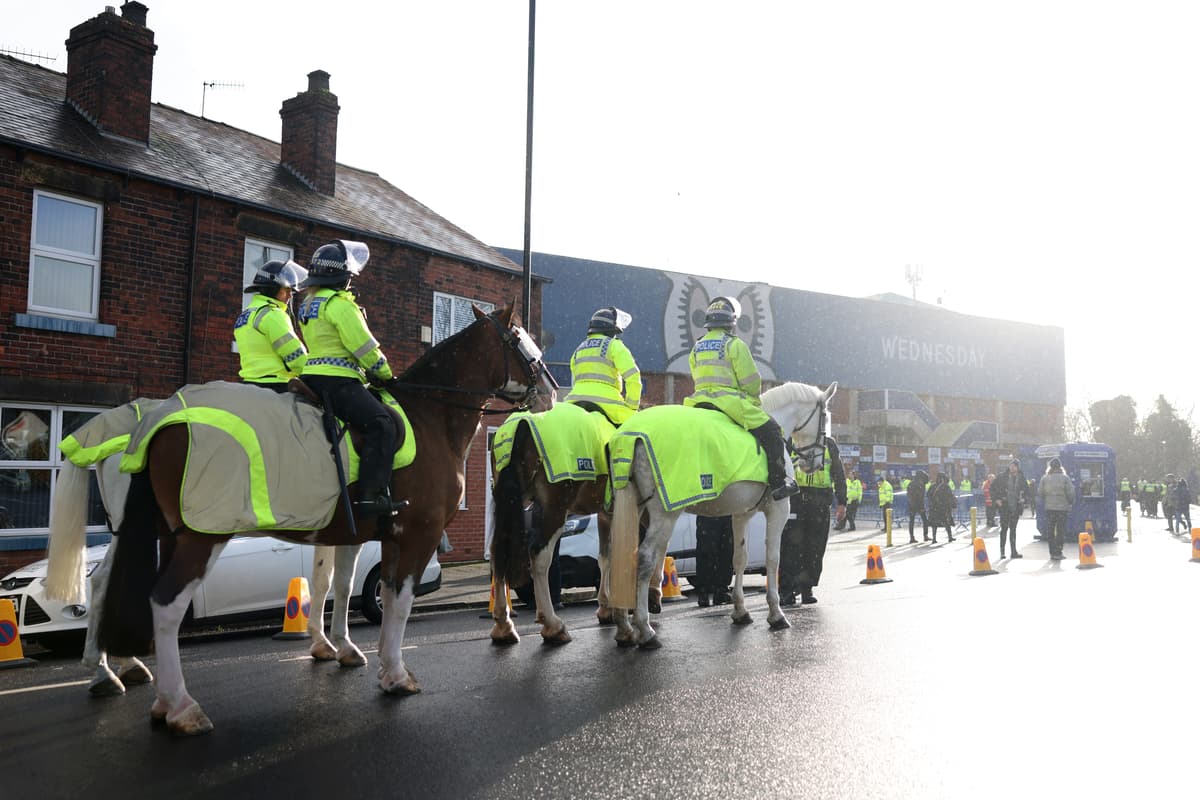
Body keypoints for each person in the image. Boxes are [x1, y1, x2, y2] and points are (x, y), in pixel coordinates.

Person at [297, 240, 403, 518]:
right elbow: (364, 348)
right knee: (382, 425)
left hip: (311, 377)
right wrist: (386, 374)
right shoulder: (342, 306)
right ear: (343, 278)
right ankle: (370, 497)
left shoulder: (308, 305)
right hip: (339, 381)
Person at [684, 296, 797, 500]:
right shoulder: (735, 345)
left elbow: (695, 375)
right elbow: (751, 381)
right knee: (772, 431)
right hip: (729, 403)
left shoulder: (697, 347)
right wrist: (752, 401)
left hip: (698, 402)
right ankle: (778, 484)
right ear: (731, 322)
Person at [779, 435, 847, 606]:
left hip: (820, 503)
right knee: (790, 548)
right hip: (795, 500)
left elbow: (838, 472)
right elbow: (780, 468)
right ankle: (787, 590)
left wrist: (842, 501)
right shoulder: (791, 441)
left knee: (815, 549)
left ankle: (806, 588)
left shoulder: (828, 444)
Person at [234, 259, 309, 391]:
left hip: (248, 385)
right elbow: (296, 356)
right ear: (274, 288)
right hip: (276, 385)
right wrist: (311, 374)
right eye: (286, 290)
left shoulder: (245, 315)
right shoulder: (273, 314)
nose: (290, 295)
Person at [563, 307, 642, 426]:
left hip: (574, 402)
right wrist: (632, 407)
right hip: (608, 405)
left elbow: (574, 380)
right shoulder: (614, 346)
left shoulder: (579, 349)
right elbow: (633, 377)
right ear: (612, 330)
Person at [1037, 457, 1075, 560]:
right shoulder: (1065, 478)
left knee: (1050, 530)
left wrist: (1047, 498)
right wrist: (1070, 502)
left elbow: (1040, 492)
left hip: (1049, 508)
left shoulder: (1044, 478)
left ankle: (1052, 552)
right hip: (1062, 508)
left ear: (1050, 467)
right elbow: (1071, 493)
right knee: (1060, 530)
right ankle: (1058, 551)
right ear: (1060, 467)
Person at [693, 515, 734, 607]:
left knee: (725, 552)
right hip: (711, 510)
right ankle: (710, 592)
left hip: (722, 510)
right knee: (710, 552)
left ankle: (718, 591)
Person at [993, 459, 1028, 558]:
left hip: (1016, 507)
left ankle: (1013, 552)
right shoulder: (1001, 477)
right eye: (1011, 465)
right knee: (1004, 529)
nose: (1012, 468)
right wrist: (997, 499)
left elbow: (1027, 490)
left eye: (1014, 466)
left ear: (1018, 467)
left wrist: (1024, 499)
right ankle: (1002, 552)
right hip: (1004, 506)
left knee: (1013, 530)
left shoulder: (1021, 478)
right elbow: (993, 488)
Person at [927, 473, 956, 543]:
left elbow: (928, 495)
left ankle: (934, 538)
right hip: (944, 508)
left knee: (934, 524)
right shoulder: (945, 487)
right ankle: (950, 537)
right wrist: (953, 505)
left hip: (934, 508)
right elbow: (951, 496)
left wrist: (933, 503)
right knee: (946, 523)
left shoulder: (933, 486)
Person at [906, 470, 930, 543]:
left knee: (912, 521)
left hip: (912, 505)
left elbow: (910, 495)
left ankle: (912, 537)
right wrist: (921, 507)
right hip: (918, 505)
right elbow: (919, 497)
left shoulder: (912, 484)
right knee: (924, 520)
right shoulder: (920, 484)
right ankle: (924, 536)